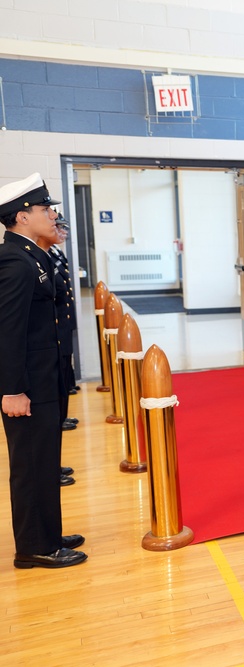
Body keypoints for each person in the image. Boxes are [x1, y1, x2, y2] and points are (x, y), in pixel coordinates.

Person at [0, 173, 87, 569]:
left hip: (44, 380)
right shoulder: (15, 262)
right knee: (32, 466)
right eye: (44, 209)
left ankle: (47, 533)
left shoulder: (32, 255)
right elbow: (9, 330)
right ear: (21, 216)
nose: (52, 215)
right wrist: (12, 389)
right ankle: (34, 546)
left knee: (44, 461)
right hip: (28, 387)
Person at [35, 215, 79, 487]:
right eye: (57, 226)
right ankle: (49, 470)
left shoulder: (51, 256)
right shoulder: (28, 260)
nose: (60, 230)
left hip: (58, 334)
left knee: (61, 391)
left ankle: (52, 467)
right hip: (48, 342)